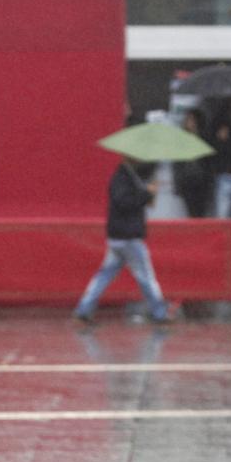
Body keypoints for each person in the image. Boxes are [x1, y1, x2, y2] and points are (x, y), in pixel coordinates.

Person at [72, 159, 171, 324]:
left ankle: (84, 310)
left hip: (118, 237)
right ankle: (159, 313)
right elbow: (124, 202)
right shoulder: (122, 179)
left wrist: (147, 194)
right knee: (146, 276)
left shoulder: (127, 177)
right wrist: (146, 194)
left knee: (104, 275)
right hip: (128, 237)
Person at [173, 108, 213, 218]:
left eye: (193, 120)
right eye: (188, 120)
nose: (190, 123)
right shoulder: (181, 140)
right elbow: (177, 163)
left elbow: (209, 160)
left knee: (201, 210)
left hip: (201, 180)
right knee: (191, 210)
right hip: (187, 180)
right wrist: (177, 184)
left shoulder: (204, 137)